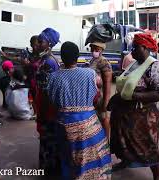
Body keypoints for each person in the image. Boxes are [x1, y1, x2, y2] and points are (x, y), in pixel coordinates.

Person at [47, 41, 111, 179]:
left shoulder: (53, 77)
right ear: (77, 56)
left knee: (67, 158)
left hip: (64, 123)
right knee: (94, 157)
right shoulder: (90, 74)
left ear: (62, 58)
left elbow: (52, 101)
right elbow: (100, 85)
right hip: (88, 123)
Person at [109, 33, 159, 180]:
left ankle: (157, 176)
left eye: (135, 48)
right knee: (124, 143)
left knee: (148, 146)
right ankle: (125, 161)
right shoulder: (134, 64)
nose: (132, 51)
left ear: (145, 47)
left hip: (143, 117)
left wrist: (136, 96)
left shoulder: (155, 67)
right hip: (125, 115)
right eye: (132, 47)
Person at [34, 28, 60, 175]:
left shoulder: (49, 62)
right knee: (47, 139)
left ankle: (50, 170)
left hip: (48, 108)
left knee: (48, 138)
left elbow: (47, 92)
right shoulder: (45, 59)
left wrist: (41, 112)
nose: (37, 44)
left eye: (40, 41)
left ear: (49, 43)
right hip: (45, 106)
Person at [89, 42, 112, 138]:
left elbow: (108, 83)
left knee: (103, 118)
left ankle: (106, 142)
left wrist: (106, 102)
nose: (94, 51)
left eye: (96, 49)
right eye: (92, 49)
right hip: (94, 97)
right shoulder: (93, 60)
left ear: (102, 50)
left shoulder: (104, 62)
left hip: (101, 98)